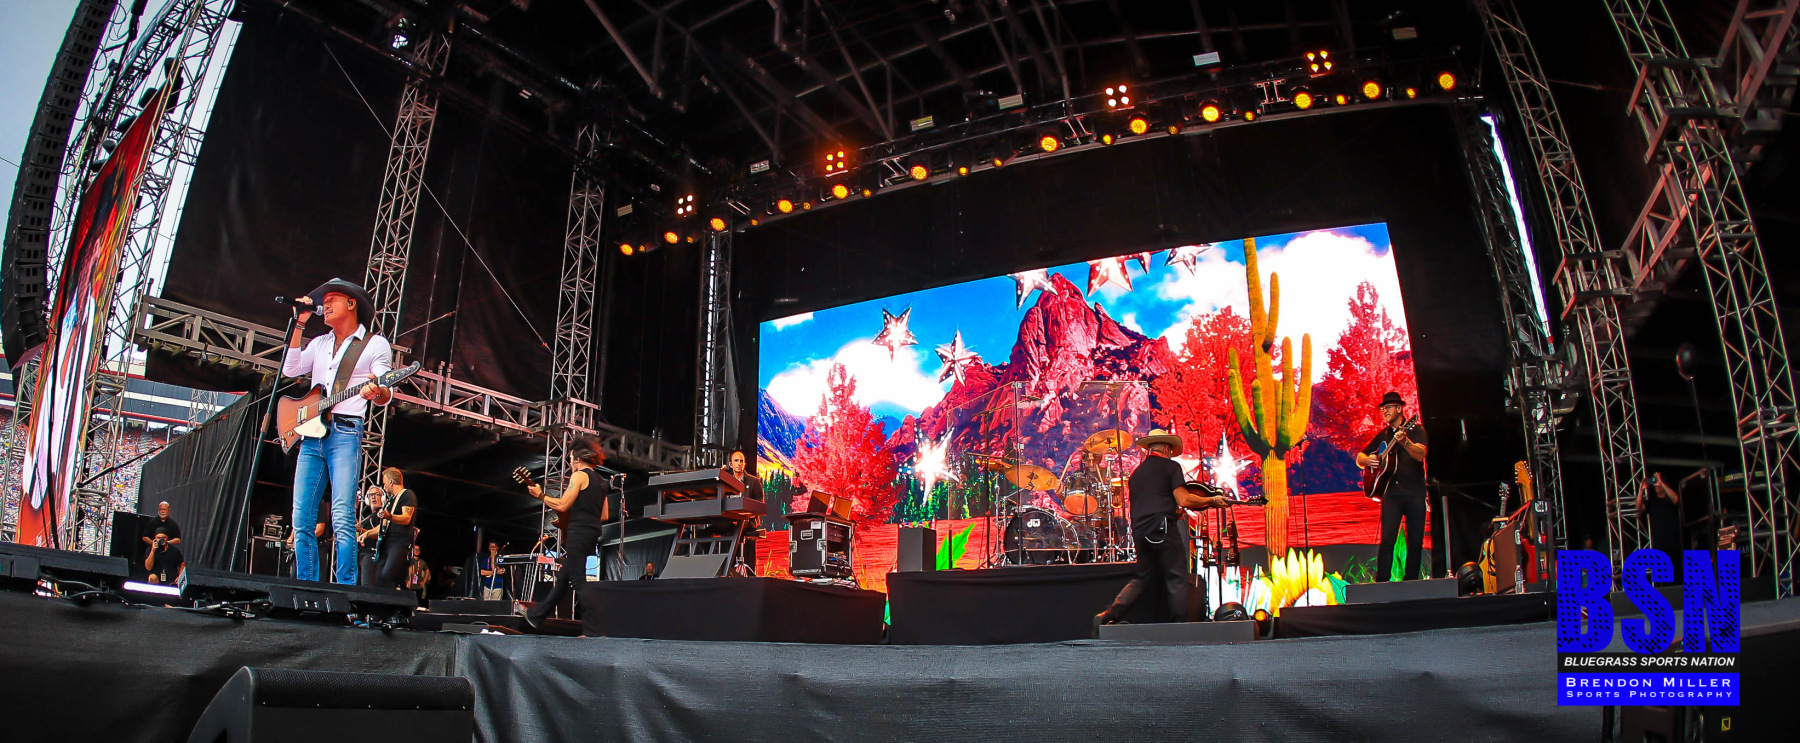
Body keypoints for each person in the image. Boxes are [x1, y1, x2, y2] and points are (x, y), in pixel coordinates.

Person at [283, 278, 393, 585]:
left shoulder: (374, 344)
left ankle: (345, 590)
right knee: (302, 518)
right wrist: (299, 323)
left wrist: (377, 391)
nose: (326, 304)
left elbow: (385, 390)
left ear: (352, 303)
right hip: (311, 435)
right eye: (325, 300)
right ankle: (306, 587)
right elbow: (290, 369)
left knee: (342, 515)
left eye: (332, 299)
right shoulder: (319, 343)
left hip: (345, 433)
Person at [1094, 429, 1229, 631]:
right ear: (1167, 448)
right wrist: (1212, 500)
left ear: (1150, 449)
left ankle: (1108, 615)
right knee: (1176, 576)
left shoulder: (1137, 474)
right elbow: (1184, 499)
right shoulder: (1171, 466)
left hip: (1140, 531)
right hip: (1162, 529)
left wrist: (1173, 510)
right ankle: (1180, 628)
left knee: (1143, 578)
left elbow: (1151, 500)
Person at [523, 436, 609, 630]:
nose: (570, 463)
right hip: (592, 533)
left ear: (577, 458)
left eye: (570, 459)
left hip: (579, 532)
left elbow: (562, 505)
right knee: (564, 577)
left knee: (577, 579)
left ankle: (595, 628)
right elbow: (604, 515)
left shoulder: (579, 476)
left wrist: (540, 495)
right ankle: (537, 615)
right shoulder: (601, 481)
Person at [1357, 391, 1430, 582]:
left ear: (1399, 408)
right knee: (1388, 539)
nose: (1385, 412)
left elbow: (1420, 454)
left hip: (1415, 494)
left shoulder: (1415, 430)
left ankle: (1411, 581)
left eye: (1388, 408)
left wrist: (1405, 441)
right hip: (1391, 495)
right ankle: (1382, 580)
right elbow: (1360, 457)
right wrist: (1369, 461)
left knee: (1415, 541)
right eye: (1383, 409)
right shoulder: (1383, 435)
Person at [371, 468, 417, 590]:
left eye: (384, 483)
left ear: (391, 481)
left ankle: (392, 600)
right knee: (379, 576)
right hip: (387, 542)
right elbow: (384, 525)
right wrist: (366, 534)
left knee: (388, 574)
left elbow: (406, 518)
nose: (384, 487)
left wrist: (389, 516)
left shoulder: (407, 494)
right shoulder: (390, 501)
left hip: (399, 542)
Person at [1636, 471, 1682, 582]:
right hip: (1659, 542)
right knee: (1661, 575)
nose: (1656, 485)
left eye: (1658, 483)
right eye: (1655, 483)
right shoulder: (1652, 502)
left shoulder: (1668, 498)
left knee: (1676, 573)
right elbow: (1639, 507)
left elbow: (1676, 499)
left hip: (1673, 541)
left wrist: (1662, 484)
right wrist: (1641, 490)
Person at [727, 449, 763, 574]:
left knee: (737, 527)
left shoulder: (754, 482)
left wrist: (746, 514)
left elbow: (759, 505)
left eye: (741, 461)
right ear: (730, 464)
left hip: (748, 521)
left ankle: (740, 568)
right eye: (736, 461)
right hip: (730, 520)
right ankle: (725, 568)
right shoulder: (726, 481)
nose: (739, 463)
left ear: (745, 464)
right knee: (709, 531)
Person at [355, 486, 383, 586]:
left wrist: (361, 530)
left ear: (383, 498)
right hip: (361, 554)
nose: (373, 497)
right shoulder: (369, 517)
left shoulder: (382, 514)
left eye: (377, 494)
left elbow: (381, 534)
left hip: (370, 554)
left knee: (366, 588)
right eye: (371, 495)